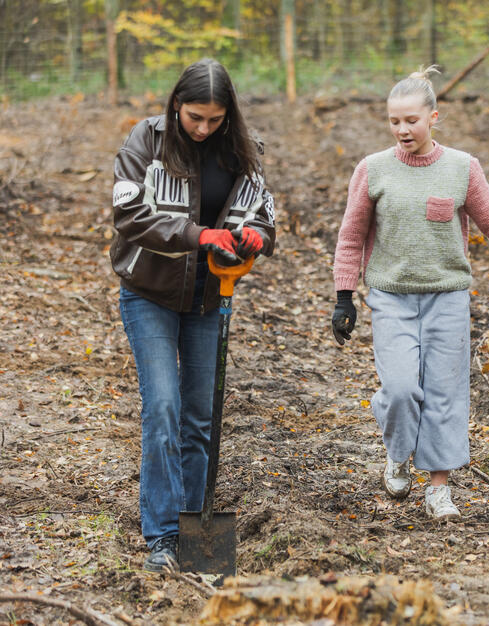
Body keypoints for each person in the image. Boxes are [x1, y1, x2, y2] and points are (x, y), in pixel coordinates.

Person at [330, 67, 489, 520]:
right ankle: (398, 453)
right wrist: (344, 295)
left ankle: (438, 488)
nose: (402, 130)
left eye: (411, 121)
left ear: (433, 117)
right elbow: (350, 236)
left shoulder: (462, 167)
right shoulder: (372, 170)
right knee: (401, 390)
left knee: (445, 393)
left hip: (447, 298)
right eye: (394, 121)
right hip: (391, 297)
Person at [111, 59, 276, 572]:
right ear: (176, 105)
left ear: (228, 115)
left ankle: (194, 531)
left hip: (209, 299)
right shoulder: (147, 141)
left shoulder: (244, 153)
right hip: (150, 294)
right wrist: (194, 234)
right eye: (194, 117)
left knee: (200, 419)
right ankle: (161, 537)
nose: (203, 128)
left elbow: (265, 216)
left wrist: (256, 237)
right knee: (162, 410)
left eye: (214, 119)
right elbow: (130, 215)